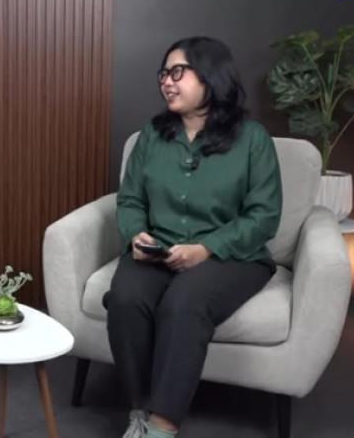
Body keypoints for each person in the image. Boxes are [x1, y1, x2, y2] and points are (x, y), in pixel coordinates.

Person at [105, 36, 283, 438]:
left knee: (184, 302)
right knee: (125, 299)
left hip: (232, 257)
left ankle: (162, 427)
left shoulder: (252, 138)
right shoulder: (152, 135)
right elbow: (130, 199)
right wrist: (136, 235)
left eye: (177, 72)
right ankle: (139, 410)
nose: (166, 82)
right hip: (160, 250)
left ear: (210, 76)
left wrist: (207, 249)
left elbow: (264, 216)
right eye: (163, 74)